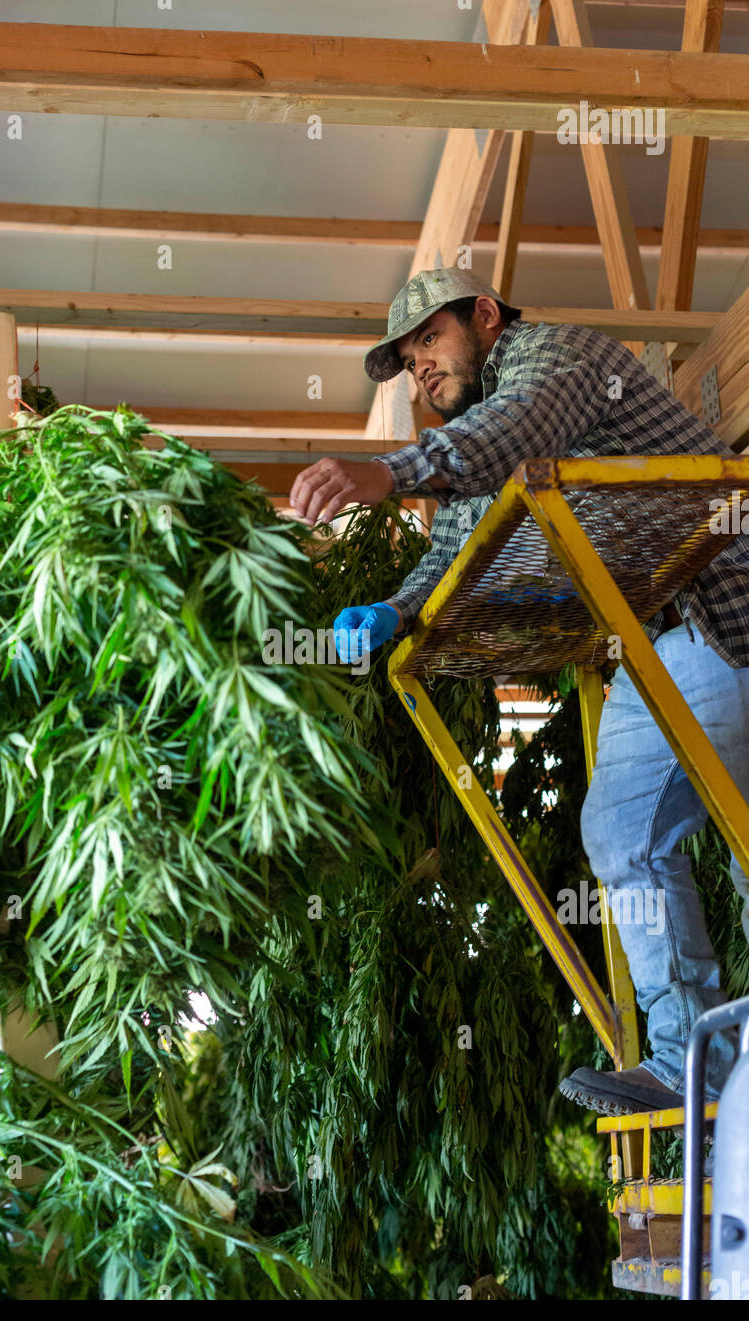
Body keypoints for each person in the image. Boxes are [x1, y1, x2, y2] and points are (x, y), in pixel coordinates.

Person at [289, 266, 749, 1116]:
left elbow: (519, 425)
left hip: (734, 606)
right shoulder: (475, 442)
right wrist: (394, 610)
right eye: (406, 360)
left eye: (429, 339)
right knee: (618, 830)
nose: (421, 368)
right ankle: (693, 1059)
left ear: (487, 316)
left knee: (741, 836)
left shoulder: (559, 357)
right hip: (670, 641)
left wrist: (387, 474)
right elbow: (453, 549)